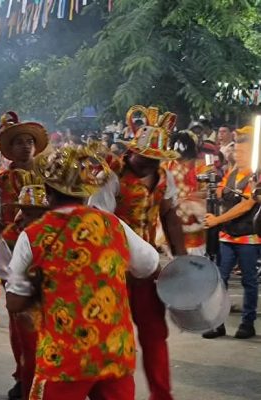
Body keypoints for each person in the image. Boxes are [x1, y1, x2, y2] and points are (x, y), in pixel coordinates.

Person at [6, 145, 159, 400]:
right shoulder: (114, 224)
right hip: (114, 351)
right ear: (86, 192)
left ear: (47, 191)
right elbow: (149, 266)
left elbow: (15, 302)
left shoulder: (33, 235)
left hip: (64, 358)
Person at [89, 105, 185, 400]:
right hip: (110, 270)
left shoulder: (164, 177)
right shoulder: (111, 175)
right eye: (145, 158)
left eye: (156, 159)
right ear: (132, 152)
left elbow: (169, 214)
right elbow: (98, 220)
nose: (150, 164)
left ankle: (161, 395)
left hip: (146, 269)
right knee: (108, 336)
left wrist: (182, 258)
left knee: (155, 333)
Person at [0, 111, 48, 399]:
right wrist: (13, 246)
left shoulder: (51, 176)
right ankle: (23, 375)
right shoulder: (0, 183)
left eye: (29, 142)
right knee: (19, 319)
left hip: (50, 255)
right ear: (9, 150)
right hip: (13, 255)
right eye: (18, 143)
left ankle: (46, 376)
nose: (25, 147)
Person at [202, 125, 259, 340]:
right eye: (236, 151)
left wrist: (217, 220)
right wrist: (211, 182)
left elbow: (245, 206)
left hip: (249, 238)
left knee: (249, 281)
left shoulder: (256, 176)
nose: (238, 155)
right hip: (227, 236)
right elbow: (220, 194)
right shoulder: (231, 172)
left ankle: (247, 322)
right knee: (220, 280)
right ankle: (218, 323)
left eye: (243, 152)